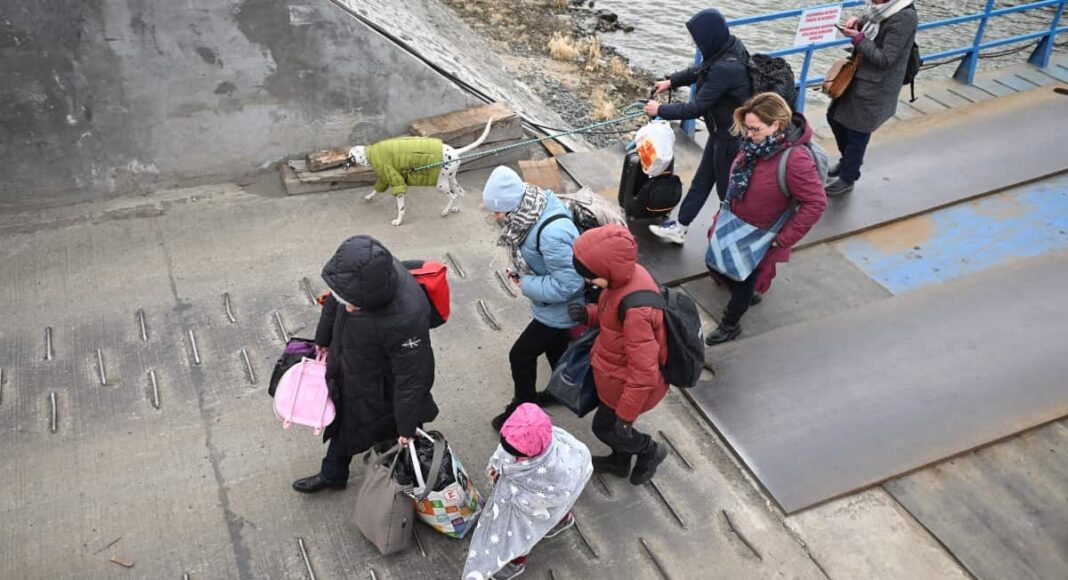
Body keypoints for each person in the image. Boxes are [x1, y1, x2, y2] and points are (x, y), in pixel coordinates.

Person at [292, 235, 439, 493]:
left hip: (385, 386)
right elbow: (333, 304)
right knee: (344, 426)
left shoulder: (407, 318)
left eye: (353, 304)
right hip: (352, 370)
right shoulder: (362, 280)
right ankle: (333, 475)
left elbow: (412, 377)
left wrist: (407, 425)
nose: (347, 307)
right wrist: (323, 340)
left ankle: (409, 480)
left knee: (400, 433)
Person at [705, 93, 828, 344]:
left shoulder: (796, 160)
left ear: (776, 125)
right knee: (717, 264)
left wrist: (783, 239)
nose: (748, 135)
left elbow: (816, 203)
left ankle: (731, 324)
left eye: (755, 129)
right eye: (747, 128)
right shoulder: (755, 145)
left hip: (761, 234)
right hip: (734, 220)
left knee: (742, 280)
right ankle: (747, 295)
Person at [482, 166, 586, 431]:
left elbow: (570, 284)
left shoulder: (552, 234)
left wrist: (526, 283)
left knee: (521, 355)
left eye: (498, 211)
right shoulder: (533, 205)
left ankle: (523, 407)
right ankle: (562, 391)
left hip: (562, 307)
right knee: (556, 348)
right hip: (554, 304)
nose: (496, 217)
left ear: (512, 206)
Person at [568, 225, 669, 484]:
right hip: (614, 376)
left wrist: (625, 417)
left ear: (607, 270)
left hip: (626, 386)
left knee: (606, 428)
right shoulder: (624, 278)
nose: (590, 282)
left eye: (592, 277)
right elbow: (612, 317)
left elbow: (644, 372)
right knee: (609, 428)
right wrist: (590, 314)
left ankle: (649, 450)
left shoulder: (637, 311)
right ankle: (620, 461)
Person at [644, 8, 752, 245]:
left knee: (726, 191)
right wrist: (670, 81)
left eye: (697, 38)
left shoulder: (727, 68)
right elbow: (700, 70)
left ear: (709, 36)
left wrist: (659, 110)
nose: (694, 43)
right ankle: (680, 227)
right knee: (702, 180)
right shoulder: (728, 46)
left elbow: (696, 108)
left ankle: (731, 239)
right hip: (720, 131)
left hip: (731, 138)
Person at [463, 403, 592, 580]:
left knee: (519, 532)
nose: (513, 458)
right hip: (555, 504)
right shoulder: (544, 438)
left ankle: (515, 563)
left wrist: (512, 493)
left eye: (519, 455)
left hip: (536, 505)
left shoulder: (556, 472)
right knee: (557, 511)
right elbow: (505, 453)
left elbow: (551, 498)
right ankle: (562, 519)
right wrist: (499, 467)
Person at [826, 0, 918, 196]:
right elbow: (873, 22)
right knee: (834, 117)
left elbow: (885, 59)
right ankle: (849, 161)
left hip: (877, 85)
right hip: (858, 76)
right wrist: (858, 22)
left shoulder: (904, 17)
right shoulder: (881, 9)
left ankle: (848, 176)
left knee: (858, 131)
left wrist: (858, 39)